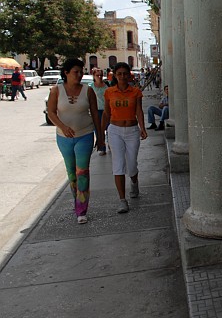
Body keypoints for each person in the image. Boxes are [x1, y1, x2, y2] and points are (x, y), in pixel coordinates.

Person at [46, 58, 102, 224]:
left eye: (80, 71)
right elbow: (51, 113)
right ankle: (77, 200)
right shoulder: (56, 91)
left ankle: (82, 209)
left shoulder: (88, 91)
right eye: (75, 72)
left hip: (84, 135)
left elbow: (95, 114)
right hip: (64, 138)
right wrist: (63, 127)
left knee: (82, 172)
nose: (79, 75)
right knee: (71, 173)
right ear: (66, 73)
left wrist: (100, 138)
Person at [101, 62, 147, 214]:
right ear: (114, 75)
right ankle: (122, 200)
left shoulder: (135, 92)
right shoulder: (109, 92)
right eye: (119, 74)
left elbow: (139, 111)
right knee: (118, 164)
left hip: (132, 131)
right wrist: (101, 134)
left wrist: (142, 128)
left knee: (132, 163)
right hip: (114, 131)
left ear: (129, 75)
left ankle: (134, 182)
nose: (122, 76)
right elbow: (106, 114)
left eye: (125, 74)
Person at [91, 68, 109, 155]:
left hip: (106, 110)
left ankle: (111, 145)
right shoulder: (91, 87)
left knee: (109, 129)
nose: (99, 77)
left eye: (101, 75)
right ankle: (102, 147)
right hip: (96, 111)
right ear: (94, 76)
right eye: (97, 75)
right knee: (98, 130)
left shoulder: (106, 86)